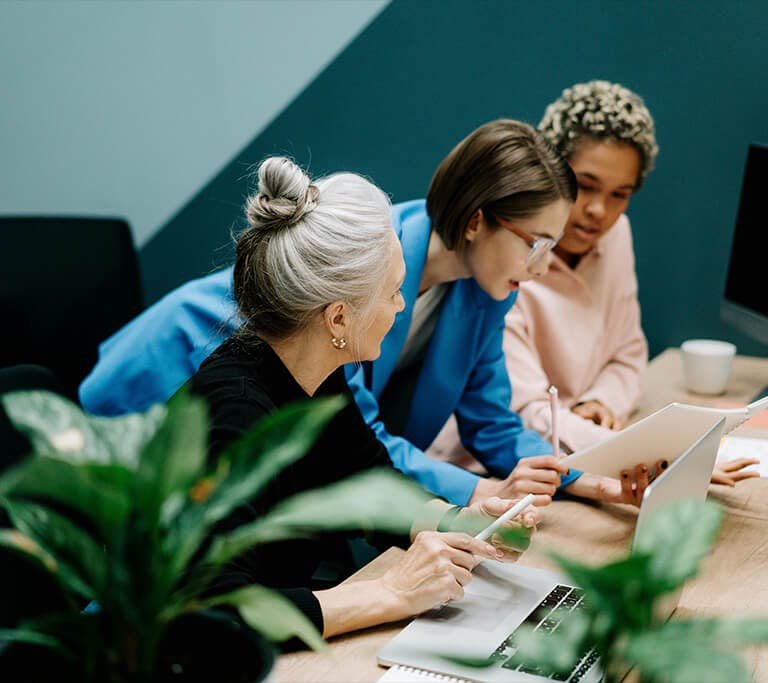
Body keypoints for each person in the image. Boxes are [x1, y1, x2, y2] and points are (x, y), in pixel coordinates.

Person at [80, 120, 654, 508]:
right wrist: (479, 495)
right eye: (536, 243)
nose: (540, 267)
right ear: (478, 221)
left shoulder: (486, 291)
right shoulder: (369, 277)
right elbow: (365, 434)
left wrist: (588, 482)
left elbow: (492, 422)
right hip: (173, 370)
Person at [189, 155, 539, 641]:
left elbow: (370, 482)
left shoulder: (317, 373)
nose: (401, 306)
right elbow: (212, 612)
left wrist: (462, 521)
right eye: (394, 291)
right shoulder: (234, 413)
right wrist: (390, 592)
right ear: (337, 319)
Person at [431, 80, 757, 486]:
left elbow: (628, 352)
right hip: (491, 469)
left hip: (576, 451)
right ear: (551, 173)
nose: (599, 211)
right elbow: (521, 413)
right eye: (585, 186)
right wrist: (655, 453)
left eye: (620, 194)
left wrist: (599, 401)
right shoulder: (504, 261)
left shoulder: (616, 235)